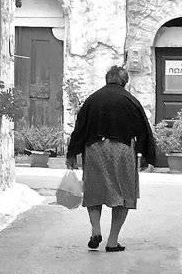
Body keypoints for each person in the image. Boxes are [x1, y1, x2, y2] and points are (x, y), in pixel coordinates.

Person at [65, 64, 156, 251]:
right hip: (122, 151)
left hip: (94, 150)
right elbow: (143, 130)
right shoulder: (131, 100)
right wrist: (147, 156)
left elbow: (80, 128)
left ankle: (96, 230)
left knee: (94, 190)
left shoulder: (92, 100)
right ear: (125, 81)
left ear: (107, 80)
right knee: (124, 194)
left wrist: (72, 153)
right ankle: (112, 241)